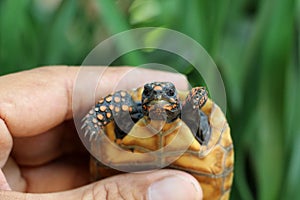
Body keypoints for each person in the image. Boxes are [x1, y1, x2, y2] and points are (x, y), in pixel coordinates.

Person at [0, 66, 202, 200]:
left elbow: (200, 97)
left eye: (167, 93)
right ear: (144, 98)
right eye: (149, 93)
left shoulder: (189, 111)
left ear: (176, 99)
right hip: (118, 168)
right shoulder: (132, 110)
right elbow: (117, 103)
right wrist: (94, 119)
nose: (158, 95)